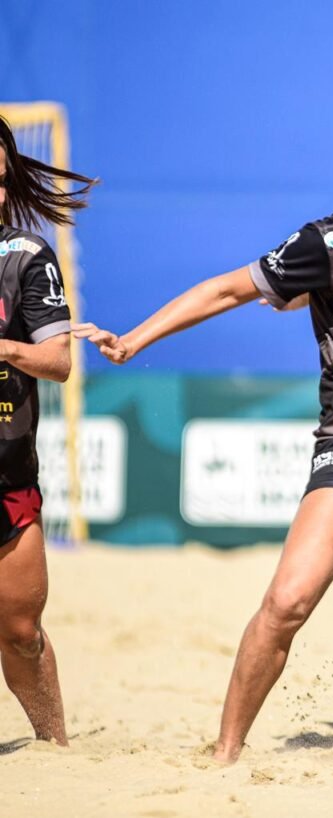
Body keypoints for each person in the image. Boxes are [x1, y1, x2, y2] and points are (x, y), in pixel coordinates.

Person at [73, 80, 333, 763]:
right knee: (289, 599)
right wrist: (134, 339)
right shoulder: (328, 242)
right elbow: (225, 288)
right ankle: (225, 755)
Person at [0, 114, 97, 745]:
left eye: (1, 177)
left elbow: (58, 363)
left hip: (7, 475)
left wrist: (3, 349)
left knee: (20, 630)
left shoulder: (27, 255)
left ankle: (53, 748)